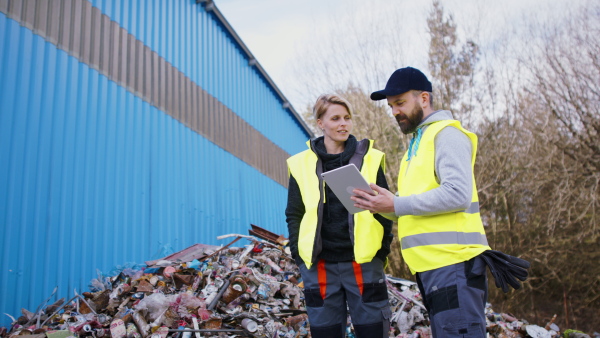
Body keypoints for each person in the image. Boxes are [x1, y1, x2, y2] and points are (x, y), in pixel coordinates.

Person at [351, 67, 492, 337]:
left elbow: (457, 194)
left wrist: (395, 205)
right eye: (391, 106)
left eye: (400, 103)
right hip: (433, 267)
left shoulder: (446, 135)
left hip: (454, 264)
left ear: (424, 99)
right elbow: (414, 208)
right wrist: (380, 204)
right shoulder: (416, 146)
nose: (394, 112)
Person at [286, 94, 394, 338]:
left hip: (364, 263)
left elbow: (385, 209)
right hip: (319, 266)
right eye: (335, 118)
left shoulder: (370, 158)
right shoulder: (300, 164)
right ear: (320, 123)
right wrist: (299, 256)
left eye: (347, 118)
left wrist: (381, 251)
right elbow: (294, 213)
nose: (343, 123)